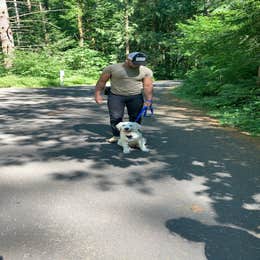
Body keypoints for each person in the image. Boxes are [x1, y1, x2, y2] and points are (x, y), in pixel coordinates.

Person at [94, 51, 153, 143]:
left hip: (135, 96)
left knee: (135, 117)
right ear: (128, 60)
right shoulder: (112, 68)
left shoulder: (145, 71)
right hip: (116, 96)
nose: (137, 65)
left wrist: (148, 100)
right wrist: (97, 94)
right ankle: (117, 136)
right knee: (115, 117)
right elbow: (102, 81)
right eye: (135, 63)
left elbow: (148, 86)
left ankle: (133, 136)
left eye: (140, 64)